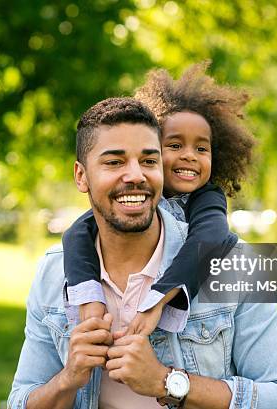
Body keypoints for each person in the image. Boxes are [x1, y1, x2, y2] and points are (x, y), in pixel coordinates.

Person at [8, 97, 277, 409]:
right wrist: (67, 378)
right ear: (81, 176)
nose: (136, 175)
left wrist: (169, 382)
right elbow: (20, 401)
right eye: (114, 162)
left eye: (149, 161)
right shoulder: (53, 273)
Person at [62, 62, 256, 336]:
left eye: (202, 148)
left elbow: (210, 239)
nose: (189, 155)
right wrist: (89, 297)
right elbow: (77, 233)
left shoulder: (207, 198)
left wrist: (161, 297)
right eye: (175, 146)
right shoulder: (137, 196)